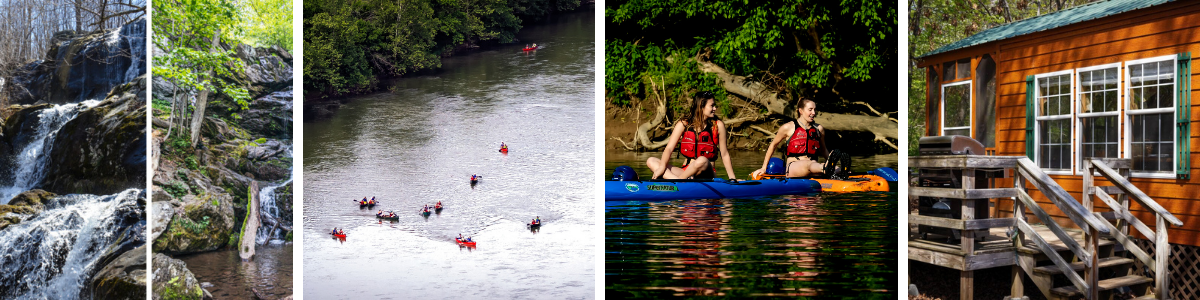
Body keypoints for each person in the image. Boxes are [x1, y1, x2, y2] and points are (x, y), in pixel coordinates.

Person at [645, 91, 736, 180]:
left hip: (707, 174)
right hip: (686, 172)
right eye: (712, 106)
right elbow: (668, 149)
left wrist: (732, 178)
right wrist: (662, 167)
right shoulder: (683, 124)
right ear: (701, 107)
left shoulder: (718, 125)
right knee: (651, 161)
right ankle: (679, 181)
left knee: (701, 160)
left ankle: (678, 182)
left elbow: (724, 154)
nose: (715, 108)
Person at [750, 98, 847, 179]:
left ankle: (840, 170)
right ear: (801, 111)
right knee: (809, 165)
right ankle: (826, 168)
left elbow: (823, 149)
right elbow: (773, 145)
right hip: (794, 167)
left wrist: (832, 161)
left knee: (813, 164)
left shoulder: (819, 129)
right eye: (810, 109)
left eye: (815, 109)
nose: (813, 113)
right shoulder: (788, 128)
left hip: (814, 166)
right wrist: (763, 168)